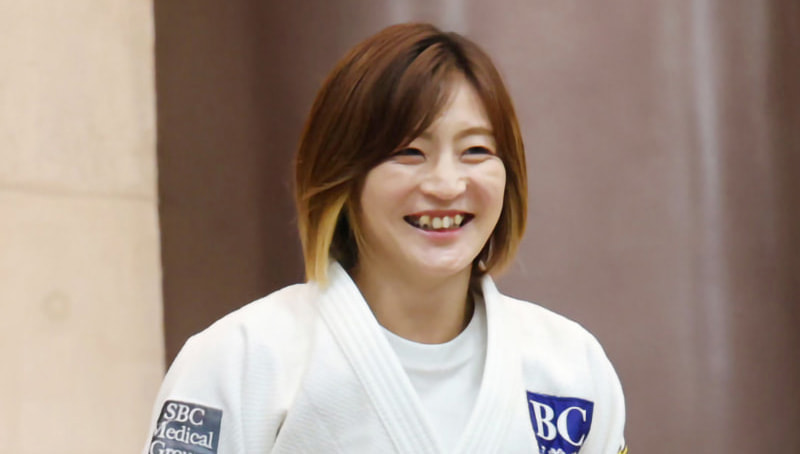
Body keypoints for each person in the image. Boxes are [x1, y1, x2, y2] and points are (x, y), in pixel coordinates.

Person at [143, 23, 627, 454]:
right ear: (343, 174)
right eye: (409, 152)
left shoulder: (570, 369)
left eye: (476, 150)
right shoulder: (242, 361)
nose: (446, 184)